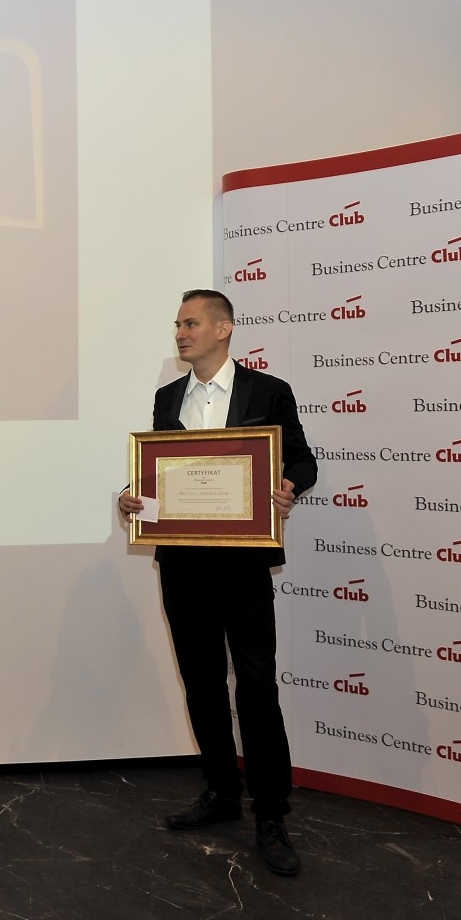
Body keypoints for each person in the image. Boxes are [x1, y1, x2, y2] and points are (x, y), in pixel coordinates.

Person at [119, 289, 317, 877]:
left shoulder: (269, 391)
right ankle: (221, 792)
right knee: (202, 683)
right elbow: (159, 473)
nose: (180, 334)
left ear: (224, 328)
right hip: (183, 564)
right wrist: (132, 497)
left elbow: (302, 460)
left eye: (190, 323)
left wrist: (289, 485)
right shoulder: (168, 398)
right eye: (178, 325)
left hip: (243, 563)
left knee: (255, 686)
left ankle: (271, 813)